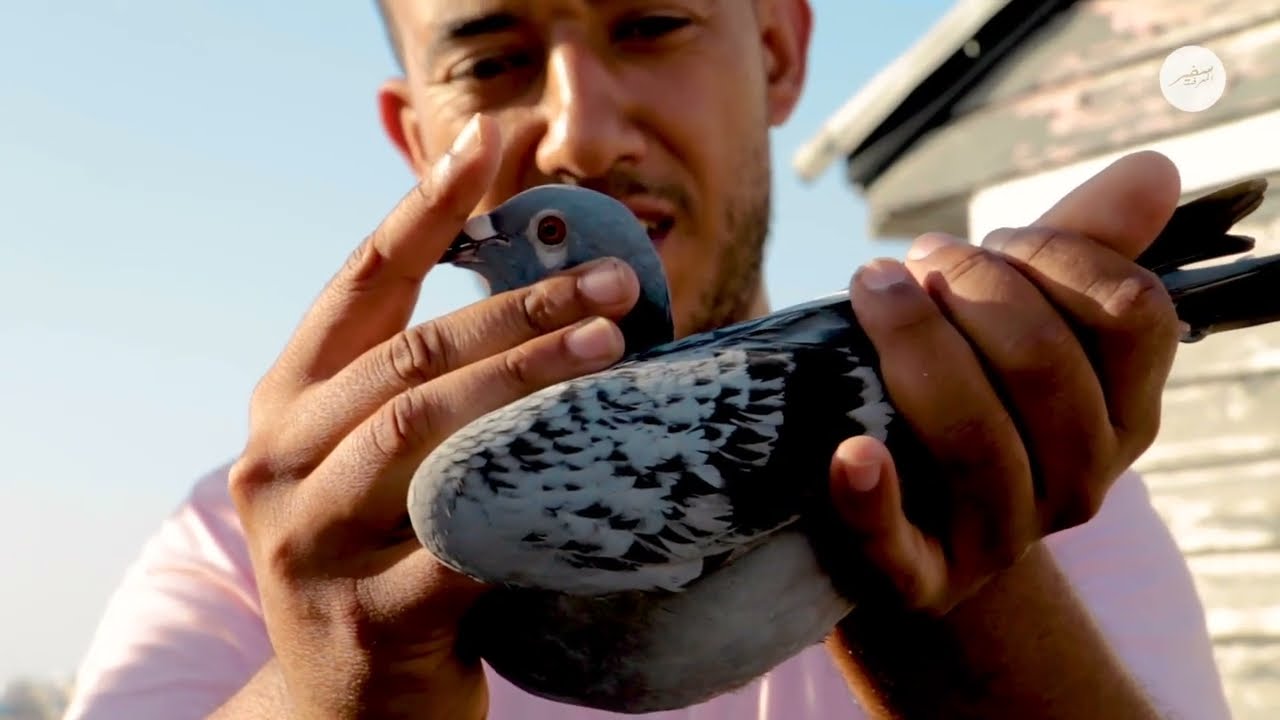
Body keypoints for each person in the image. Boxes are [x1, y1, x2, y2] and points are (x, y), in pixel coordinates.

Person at [63, 1, 1232, 718]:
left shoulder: (1055, 484)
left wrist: (949, 554)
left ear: (776, 48)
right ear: (417, 136)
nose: (579, 131)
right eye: (490, 58)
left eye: (650, 24)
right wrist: (334, 698)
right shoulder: (240, 553)